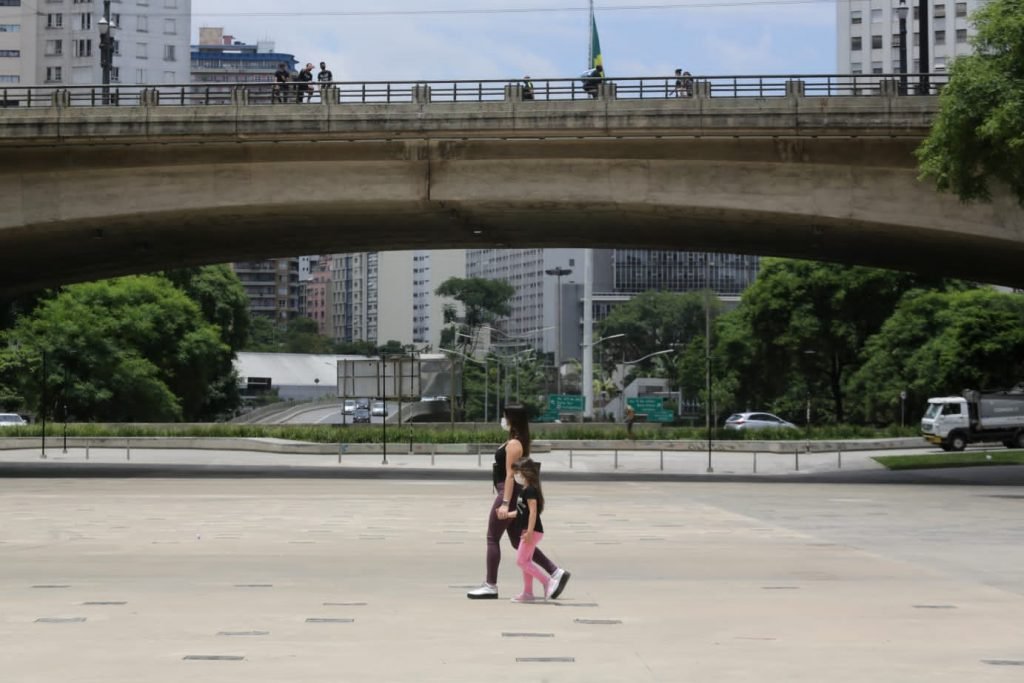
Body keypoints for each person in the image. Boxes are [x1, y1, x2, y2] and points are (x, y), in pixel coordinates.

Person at [466, 405, 571, 600]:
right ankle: (555, 572)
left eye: (504, 417)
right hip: (511, 493)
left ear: (512, 419)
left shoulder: (514, 444)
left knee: (492, 537)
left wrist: (505, 503)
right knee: (518, 541)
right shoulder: (515, 441)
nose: (502, 420)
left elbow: (509, 476)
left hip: (508, 493)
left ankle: (490, 585)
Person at [505, 458, 552, 602]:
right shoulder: (524, 490)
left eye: (518, 472)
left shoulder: (530, 489)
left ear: (526, 473)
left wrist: (530, 532)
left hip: (532, 531)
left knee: (521, 561)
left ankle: (547, 581)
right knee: (526, 562)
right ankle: (528, 593)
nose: (516, 475)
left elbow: (533, 511)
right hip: (527, 530)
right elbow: (521, 512)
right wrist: (506, 514)